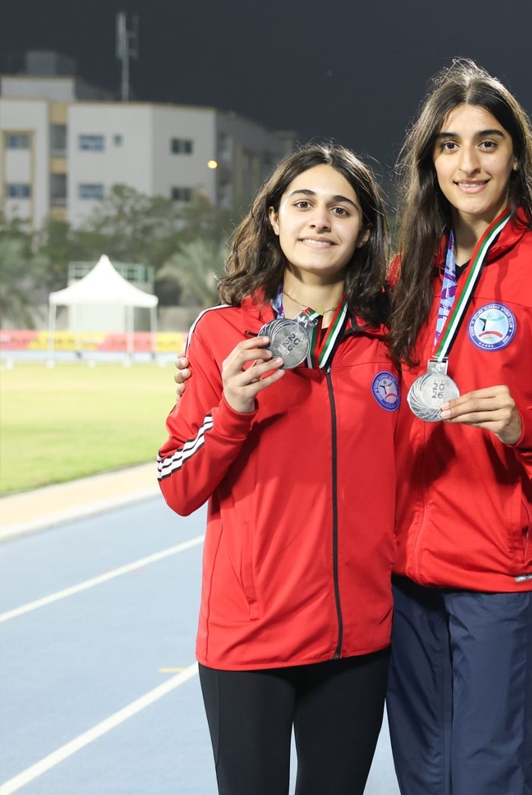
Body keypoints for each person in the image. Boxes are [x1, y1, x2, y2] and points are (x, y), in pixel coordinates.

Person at [385, 60, 532, 795]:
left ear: (515, 156)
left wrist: (529, 426)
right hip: (406, 574)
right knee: (425, 777)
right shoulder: (403, 273)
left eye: (487, 143)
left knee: (495, 777)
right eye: (450, 145)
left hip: (504, 573)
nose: (469, 162)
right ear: (430, 162)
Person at [157, 145, 400, 795]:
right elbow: (177, 486)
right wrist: (232, 410)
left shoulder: (394, 342)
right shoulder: (221, 334)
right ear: (273, 217)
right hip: (250, 638)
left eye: (341, 209)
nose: (320, 220)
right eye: (303, 204)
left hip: (356, 638)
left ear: (365, 230)